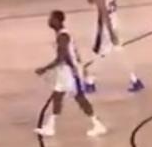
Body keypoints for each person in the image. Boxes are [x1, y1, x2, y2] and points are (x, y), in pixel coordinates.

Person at [34, 10, 107, 138]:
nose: (49, 21)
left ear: (58, 21)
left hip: (70, 72)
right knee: (58, 97)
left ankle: (97, 124)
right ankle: (51, 126)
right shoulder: (61, 35)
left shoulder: (63, 36)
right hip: (66, 72)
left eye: (51, 18)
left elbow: (61, 58)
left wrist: (44, 69)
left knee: (79, 98)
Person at [83, 0, 145, 94]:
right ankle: (135, 80)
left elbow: (104, 13)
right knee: (117, 52)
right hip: (115, 22)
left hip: (106, 28)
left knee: (99, 54)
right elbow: (97, 1)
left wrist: (110, 33)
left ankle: (90, 83)